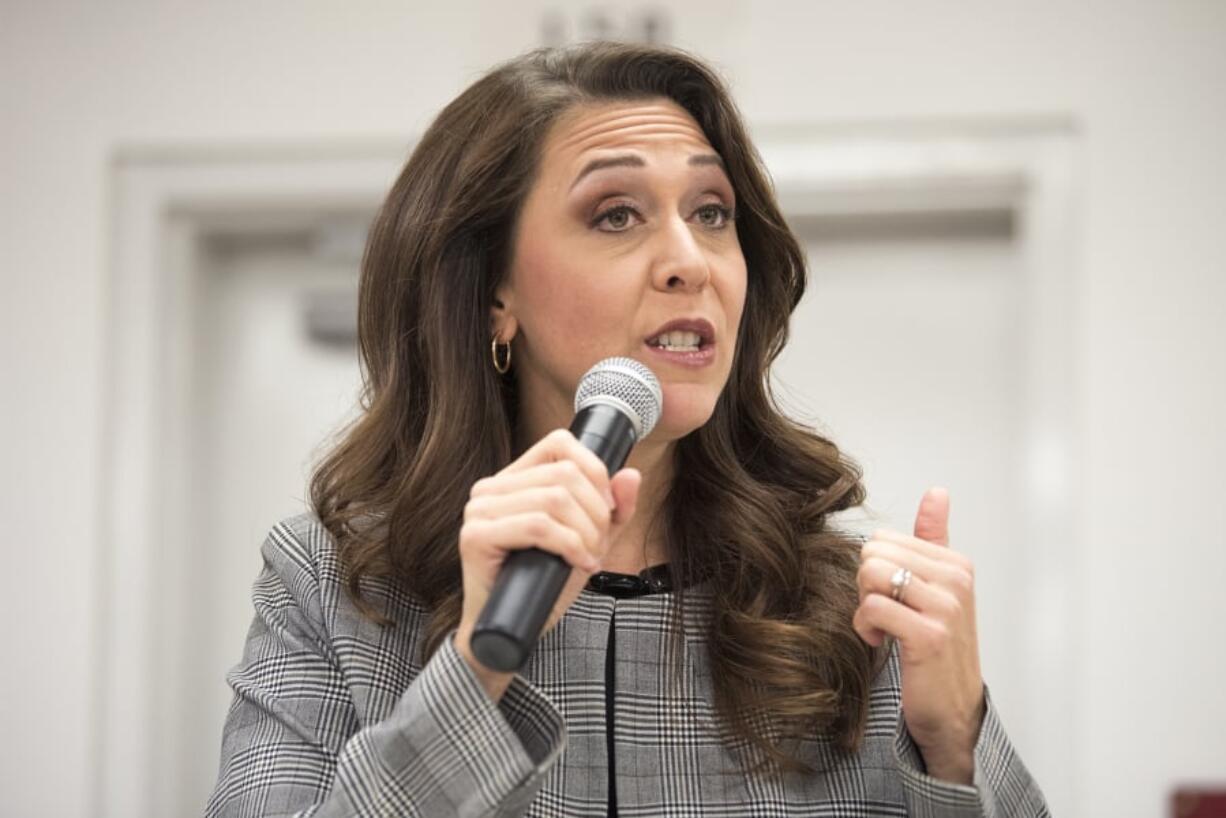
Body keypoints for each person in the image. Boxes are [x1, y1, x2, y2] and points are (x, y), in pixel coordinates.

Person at [204, 41, 1049, 817]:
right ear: (496, 294)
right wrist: (474, 671)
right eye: (616, 215)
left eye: (712, 212)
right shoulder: (330, 584)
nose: (691, 259)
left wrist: (958, 747)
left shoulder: (855, 607)